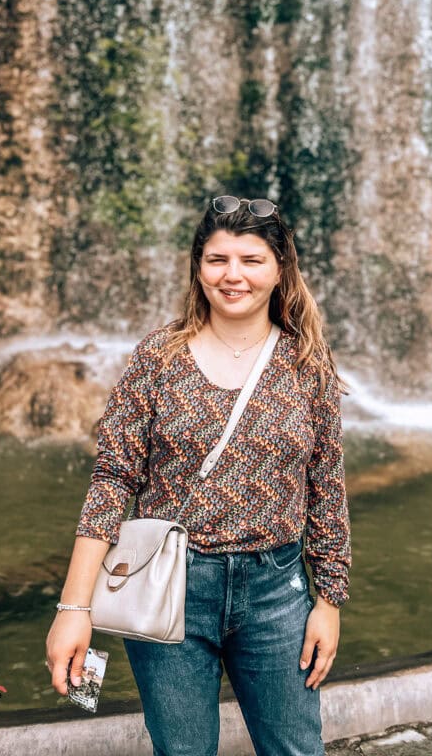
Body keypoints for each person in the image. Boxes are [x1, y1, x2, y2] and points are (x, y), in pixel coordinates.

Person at [45, 195, 352, 756]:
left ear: (280, 269)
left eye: (251, 260)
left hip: (277, 595)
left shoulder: (308, 362)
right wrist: (74, 609)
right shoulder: (158, 358)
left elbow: (325, 486)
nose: (232, 275)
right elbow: (112, 480)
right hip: (170, 589)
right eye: (217, 260)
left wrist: (328, 601)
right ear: (197, 267)